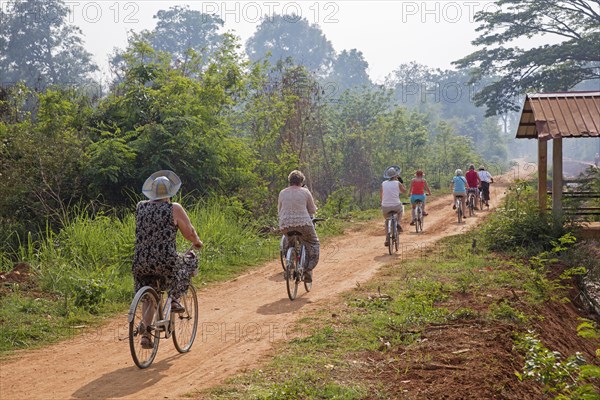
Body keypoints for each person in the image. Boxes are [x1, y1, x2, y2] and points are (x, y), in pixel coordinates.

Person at [132, 170, 203, 348]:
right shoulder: (174, 208)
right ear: (170, 192)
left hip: (141, 262)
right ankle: (176, 296)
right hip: (165, 261)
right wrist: (197, 241)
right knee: (189, 260)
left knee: (149, 297)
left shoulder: (140, 206)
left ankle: (146, 335)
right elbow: (189, 232)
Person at [278, 170, 319, 283]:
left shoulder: (282, 193)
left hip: (286, 225)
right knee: (313, 244)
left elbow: (279, 210)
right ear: (301, 182)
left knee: (289, 242)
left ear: (289, 181)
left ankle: (289, 266)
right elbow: (312, 210)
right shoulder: (305, 192)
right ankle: (307, 270)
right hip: (303, 224)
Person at [381, 166, 407, 245]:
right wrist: (401, 182)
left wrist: (382, 203)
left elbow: (381, 195)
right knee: (401, 210)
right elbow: (404, 191)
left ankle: (387, 239)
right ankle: (398, 222)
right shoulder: (397, 183)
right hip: (396, 205)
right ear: (395, 176)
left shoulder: (383, 183)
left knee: (387, 221)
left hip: (385, 206)